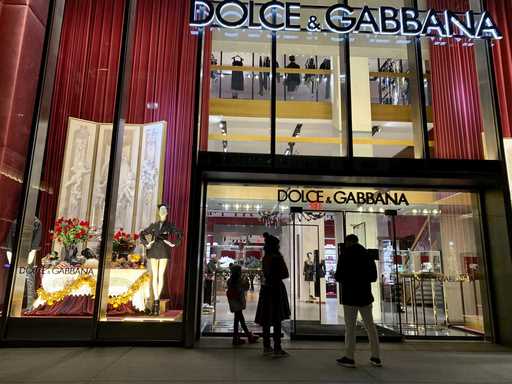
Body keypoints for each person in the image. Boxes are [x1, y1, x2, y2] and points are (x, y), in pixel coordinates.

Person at [335, 234, 382, 368]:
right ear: (357, 241)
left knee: (350, 328)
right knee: (370, 327)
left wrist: (348, 278)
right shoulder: (367, 255)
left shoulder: (345, 255)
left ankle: (349, 357)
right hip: (365, 296)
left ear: (348, 242)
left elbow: (339, 276)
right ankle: (376, 357)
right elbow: (373, 277)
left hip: (350, 297)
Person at [255, 233, 291, 357]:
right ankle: (277, 347)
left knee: (266, 318)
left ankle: (266, 346)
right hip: (276, 289)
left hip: (266, 289)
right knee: (277, 319)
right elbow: (285, 274)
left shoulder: (265, 258)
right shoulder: (277, 257)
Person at [226, 264, 259, 346]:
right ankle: (246, 337)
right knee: (240, 320)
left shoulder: (230, 281)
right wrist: (246, 281)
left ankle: (239, 337)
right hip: (238, 302)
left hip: (233, 303)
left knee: (238, 320)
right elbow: (246, 288)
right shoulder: (239, 281)